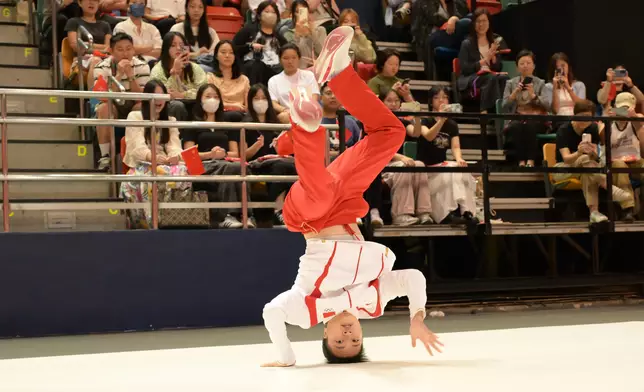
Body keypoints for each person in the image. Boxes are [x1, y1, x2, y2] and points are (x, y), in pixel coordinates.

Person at [262, 26, 442, 367]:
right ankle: (340, 74)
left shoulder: (306, 312)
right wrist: (417, 316)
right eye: (355, 340)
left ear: (325, 335)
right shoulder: (373, 302)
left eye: (339, 342)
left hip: (310, 218)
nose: (348, 335)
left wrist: (286, 356)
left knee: (317, 191)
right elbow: (413, 278)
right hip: (346, 206)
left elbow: (271, 312)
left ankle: (306, 128)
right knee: (391, 133)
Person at [183, 83, 255, 228]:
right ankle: (231, 215)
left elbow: (235, 153)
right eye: (208, 96)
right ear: (200, 100)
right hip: (203, 165)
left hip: (225, 161)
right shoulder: (193, 125)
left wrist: (223, 153)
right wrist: (211, 154)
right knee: (231, 168)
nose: (212, 100)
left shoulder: (227, 124)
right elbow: (189, 155)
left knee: (237, 167)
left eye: (216, 97)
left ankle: (242, 215)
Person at [120, 80, 187, 229]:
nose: (159, 100)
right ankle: (152, 223)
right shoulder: (135, 117)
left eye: (162, 96)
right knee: (151, 177)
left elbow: (174, 146)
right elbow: (136, 147)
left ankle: (174, 220)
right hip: (143, 163)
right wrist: (152, 157)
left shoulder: (171, 120)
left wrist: (174, 157)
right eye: (154, 96)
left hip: (166, 163)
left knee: (183, 171)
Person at [553, 100, 632, 223]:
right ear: (574, 115)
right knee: (585, 160)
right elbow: (566, 159)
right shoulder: (564, 129)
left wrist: (592, 153)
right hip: (563, 169)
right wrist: (579, 152)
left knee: (587, 171)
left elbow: (596, 157)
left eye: (588, 118)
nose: (585, 121)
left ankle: (594, 212)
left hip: (586, 168)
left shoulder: (593, 128)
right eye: (581, 117)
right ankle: (611, 188)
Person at [413, 86, 477, 225]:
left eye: (444, 97)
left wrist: (459, 158)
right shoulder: (425, 121)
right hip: (427, 170)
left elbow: (455, 146)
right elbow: (429, 136)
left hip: (442, 168)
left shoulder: (452, 125)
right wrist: (441, 120)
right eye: (437, 97)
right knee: (451, 171)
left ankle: (467, 212)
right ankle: (448, 213)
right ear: (431, 101)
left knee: (459, 169)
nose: (441, 100)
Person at [237, 84, 297, 226]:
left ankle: (284, 209)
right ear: (250, 101)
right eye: (256, 98)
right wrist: (256, 146)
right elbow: (243, 155)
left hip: (276, 161)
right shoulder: (246, 124)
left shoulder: (275, 123)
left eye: (263, 98)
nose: (260, 101)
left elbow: (286, 150)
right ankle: (276, 209)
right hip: (256, 164)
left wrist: (280, 146)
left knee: (292, 164)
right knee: (281, 166)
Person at [93, 33, 151, 171]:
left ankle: (139, 152)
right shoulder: (101, 67)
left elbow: (143, 97)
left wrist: (131, 76)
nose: (125, 53)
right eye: (120, 49)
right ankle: (105, 155)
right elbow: (103, 97)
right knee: (104, 108)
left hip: (134, 101)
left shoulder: (142, 65)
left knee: (140, 108)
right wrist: (118, 75)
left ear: (133, 50)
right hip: (112, 103)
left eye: (128, 48)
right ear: (111, 51)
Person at [380, 89, 433, 226]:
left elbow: (416, 133)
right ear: (381, 102)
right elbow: (380, 149)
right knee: (404, 167)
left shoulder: (402, 122)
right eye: (389, 101)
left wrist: (416, 116)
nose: (393, 104)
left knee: (420, 165)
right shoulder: (376, 122)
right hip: (382, 166)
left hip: (398, 163)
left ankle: (423, 212)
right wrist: (401, 157)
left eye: (396, 100)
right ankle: (401, 215)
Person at [602, 92, 644, 222]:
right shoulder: (608, 122)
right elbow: (602, 140)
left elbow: (640, 128)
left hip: (635, 161)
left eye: (626, 109)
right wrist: (607, 121)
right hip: (615, 162)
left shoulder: (638, 118)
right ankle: (628, 210)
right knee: (620, 167)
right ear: (616, 107)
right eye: (621, 109)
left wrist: (633, 118)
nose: (623, 113)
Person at [457, 7, 508, 113]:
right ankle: (486, 113)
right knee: (491, 78)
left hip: (489, 76)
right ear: (474, 24)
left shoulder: (494, 41)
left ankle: (503, 111)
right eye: (478, 21)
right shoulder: (467, 43)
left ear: (489, 23)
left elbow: (498, 67)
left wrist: (493, 58)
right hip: (471, 77)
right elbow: (465, 68)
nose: (481, 24)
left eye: (484, 21)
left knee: (504, 78)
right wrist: (484, 61)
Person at [150, 32, 208, 120]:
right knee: (177, 105)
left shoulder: (195, 68)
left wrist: (183, 95)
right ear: (166, 48)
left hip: (192, 105)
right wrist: (174, 73)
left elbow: (204, 92)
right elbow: (160, 96)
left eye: (181, 45)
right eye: (173, 45)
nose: (178, 48)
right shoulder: (157, 70)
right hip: (167, 108)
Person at [411, 0, 470, 80]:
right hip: (431, 36)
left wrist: (453, 19)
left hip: (452, 35)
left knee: (472, 20)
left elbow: (463, 17)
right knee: (467, 23)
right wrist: (451, 21)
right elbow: (435, 19)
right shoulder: (425, 2)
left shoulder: (456, 2)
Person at [233, 1, 287, 85]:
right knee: (257, 65)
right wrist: (250, 47)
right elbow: (234, 48)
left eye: (273, 12)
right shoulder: (248, 30)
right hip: (253, 68)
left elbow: (287, 51)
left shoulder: (279, 37)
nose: (270, 15)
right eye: (267, 11)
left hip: (275, 68)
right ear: (258, 15)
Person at [268, 43, 320, 124]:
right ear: (280, 60)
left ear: (299, 58)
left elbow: (314, 96)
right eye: (286, 58)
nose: (290, 61)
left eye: (294, 58)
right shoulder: (274, 80)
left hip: (307, 112)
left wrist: (304, 110)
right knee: (283, 117)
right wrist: (285, 110)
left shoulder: (308, 75)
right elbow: (273, 102)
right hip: (287, 114)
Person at [206, 40, 251, 122]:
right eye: (223, 52)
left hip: (240, 116)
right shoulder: (210, 78)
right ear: (216, 56)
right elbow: (210, 103)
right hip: (218, 114)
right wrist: (233, 106)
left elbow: (247, 107)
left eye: (231, 53)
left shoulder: (244, 79)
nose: (227, 55)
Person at [170, 0, 220, 70]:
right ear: (186, 9)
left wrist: (206, 54)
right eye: (192, 7)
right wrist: (197, 54)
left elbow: (217, 52)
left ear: (204, 10)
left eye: (200, 7)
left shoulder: (210, 32)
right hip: (183, 65)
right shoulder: (177, 29)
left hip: (205, 65)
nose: (196, 10)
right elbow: (175, 53)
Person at [283, 0, 327, 69]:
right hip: (300, 71)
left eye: (303, 11)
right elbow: (294, 57)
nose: (300, 14)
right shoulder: (288, 34)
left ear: (308, 12)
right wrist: (298, 36)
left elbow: (322, 53)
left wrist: (312, 33)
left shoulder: (320, 30)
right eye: (297, 12)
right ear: (292, 14)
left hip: (318, 68)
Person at [502, 50, 549, 114]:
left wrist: (534, 96)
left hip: (535, 119)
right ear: (517, 68)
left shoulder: (540, 83)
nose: (525, 66)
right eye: (522, 63)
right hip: (516, 119)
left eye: (528, 63)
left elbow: (547, 106)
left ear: (534, 66)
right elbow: (504, 107)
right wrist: (514, 94)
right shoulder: (510, 83)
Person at [320, 82, 361, 156]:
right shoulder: (314, 123)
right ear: (321, 98)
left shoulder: (350, 123)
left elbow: (360, 149)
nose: (333, 96)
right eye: (328, 93)